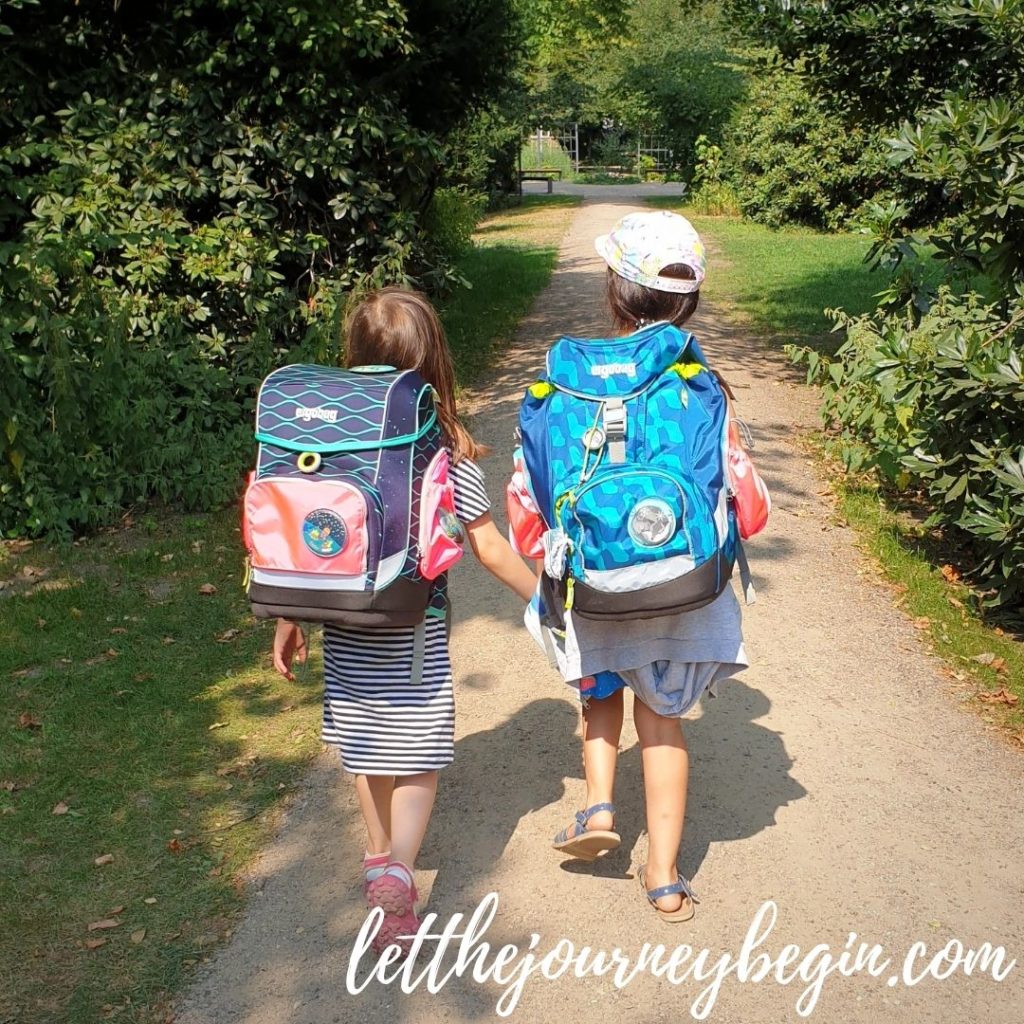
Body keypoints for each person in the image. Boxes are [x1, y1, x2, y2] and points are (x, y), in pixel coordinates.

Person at [272, 287, 536, 952]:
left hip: (341, 621)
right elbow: (489, 547)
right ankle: (400, 870)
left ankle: (375, 847)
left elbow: (298, 539)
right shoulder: (440, 449)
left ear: (353, 356)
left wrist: (287, 616)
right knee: (417, 754)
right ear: (432, 363)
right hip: (413, 627)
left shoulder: (320, 440)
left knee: (366, 747)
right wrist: (542, 596)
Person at [520, 211, 749, 922]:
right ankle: (665, 877)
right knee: (664, 723)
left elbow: (531, 496)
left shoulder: (568, 384)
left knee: (599, 696)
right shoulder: (699, 380)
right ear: (691, 301)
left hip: (597, 590)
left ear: (614, 292)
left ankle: (597, 808)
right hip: (683, 590)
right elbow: (743, 493)